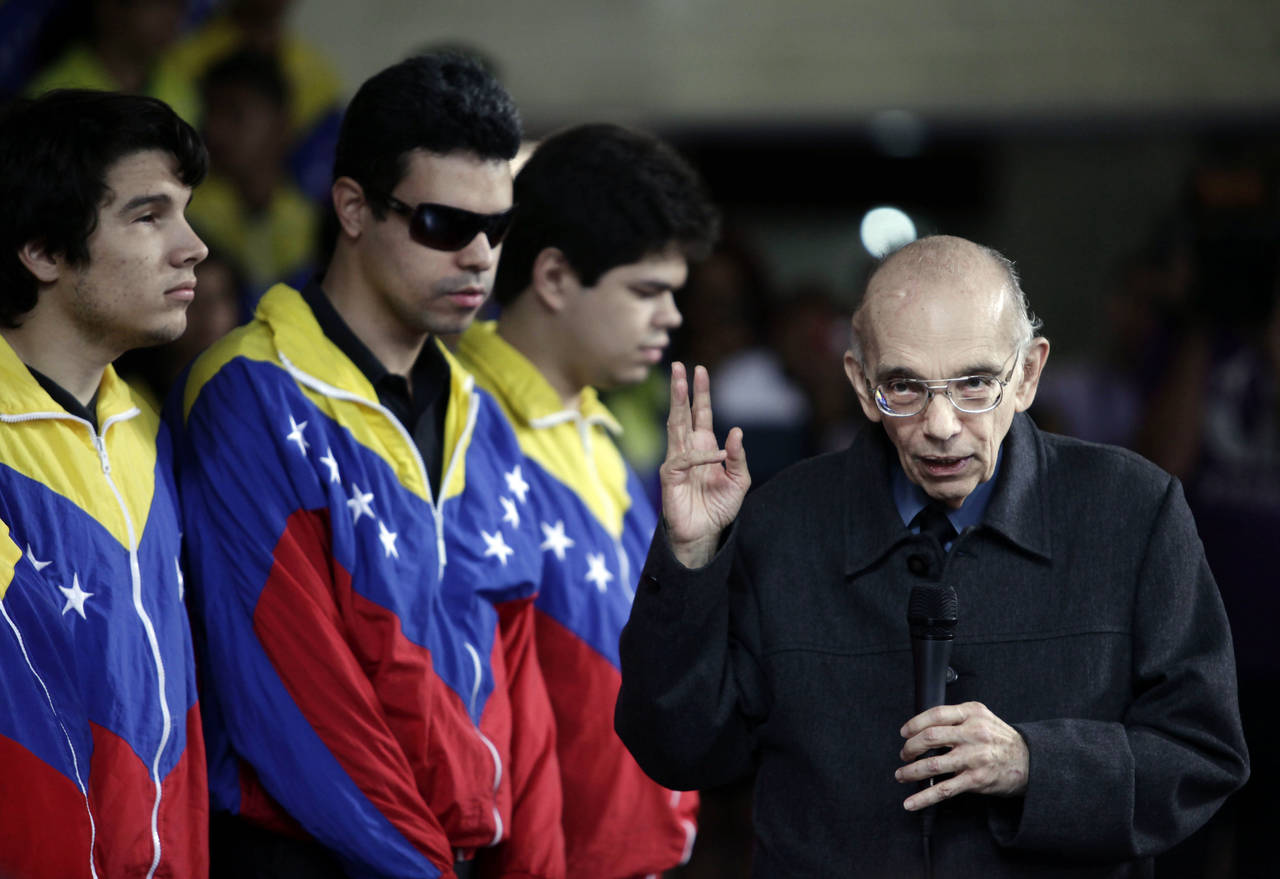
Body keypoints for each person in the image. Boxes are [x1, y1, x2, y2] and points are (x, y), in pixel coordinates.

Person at [615, 234, 1249, 877]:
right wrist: (690, 556)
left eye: (975, 383)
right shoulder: (782, 523)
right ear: (861, 384)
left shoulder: (1132, 512)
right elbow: (680, 749)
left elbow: (1202, 755)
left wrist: (1033, 764)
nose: (941, 426)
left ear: (1028, 374)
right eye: (904, 387)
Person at [173, 52, 564, 879]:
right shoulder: (250, 394)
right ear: (352, 207)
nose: (479, 256)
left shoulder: (483, 419)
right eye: (444, 223)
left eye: (498, 228)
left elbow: (522, 694)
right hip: (305, 856)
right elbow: (295, 692)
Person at [454, 122, 719, 878]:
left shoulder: (601, 432)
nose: (671, 316)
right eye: (647, 291)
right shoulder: (457, 427)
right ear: (554, 277)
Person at [0, 88, 209, 878]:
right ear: (43, 251)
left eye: (185, 213)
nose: (194, 247)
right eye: (149, 216)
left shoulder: (144, 428)